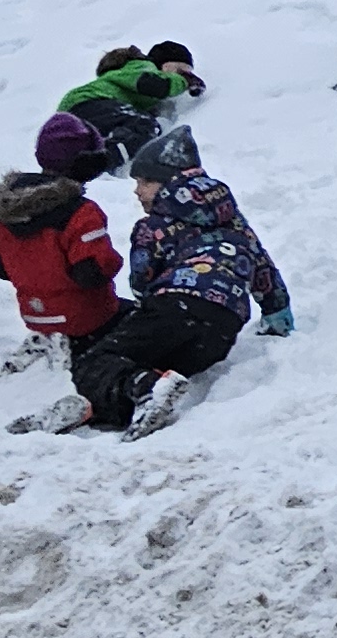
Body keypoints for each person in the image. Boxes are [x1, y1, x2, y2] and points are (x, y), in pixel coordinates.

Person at [16, 138, 291, 438]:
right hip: (223, 327)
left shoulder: (153, 227)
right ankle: (118, 404)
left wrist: (142, 314)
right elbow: (263, 268)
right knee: (143, 360)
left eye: (144, 182)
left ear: (168, 184)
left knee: (95, 360)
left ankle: (147, 389)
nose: (137, 191)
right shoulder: (235, 223)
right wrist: (277, 313)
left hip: (174, 307)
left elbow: (142, 282)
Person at [0, 117, 124, 376]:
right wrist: (117, 261)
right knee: (131, 316)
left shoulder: (9, 210)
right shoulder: (82, 212)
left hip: (35, 316)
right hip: (86, 318)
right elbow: (92, 271)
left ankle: (50, 340)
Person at [57, 44, 208, 170]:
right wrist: (183, 81)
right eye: (180, 70)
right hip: (91, 102)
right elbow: (153, 84)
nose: (185, 75)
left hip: (76, 111)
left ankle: (84, 161)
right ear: (163, 64)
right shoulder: (143, 67)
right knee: (145, 125)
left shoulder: (124, 74)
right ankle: (104, 163)